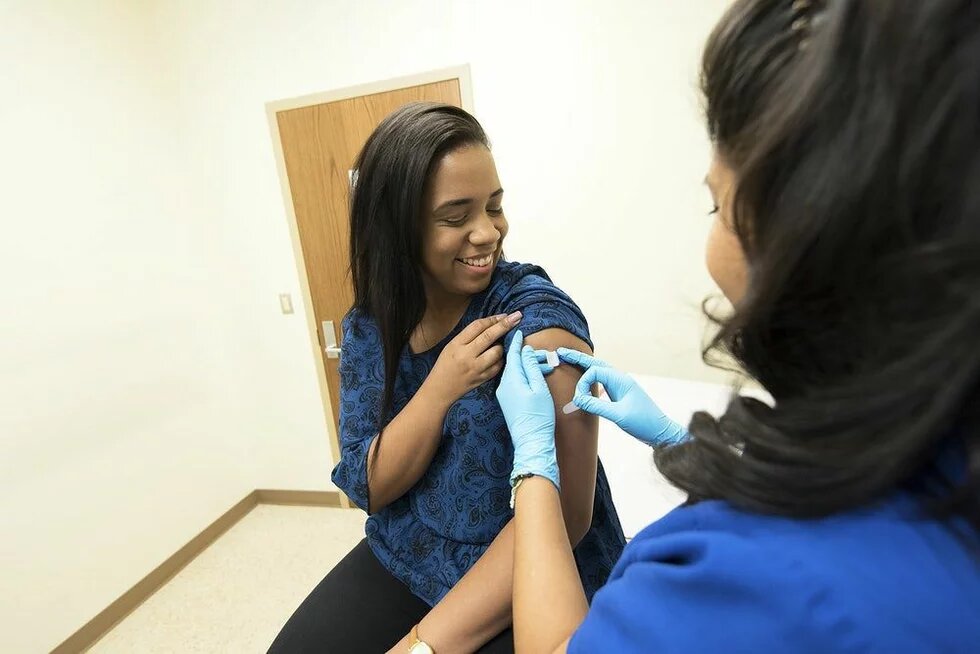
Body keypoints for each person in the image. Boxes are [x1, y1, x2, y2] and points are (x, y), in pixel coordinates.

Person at [495, 0, 980, 652]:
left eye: (716, 203)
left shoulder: (755, 583)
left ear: (806, 234)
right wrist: (679, 444)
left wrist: (532, 463)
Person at [268, 103, 625, 654]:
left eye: (495, 206)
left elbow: (569, 517)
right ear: (397, 228)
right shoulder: (372, 325)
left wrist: (422, 645)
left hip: (532, 566)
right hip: (411, 552)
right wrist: (439, 389)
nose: (488, 232)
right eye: (456, 216)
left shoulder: (535, 322)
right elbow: (370, 485)